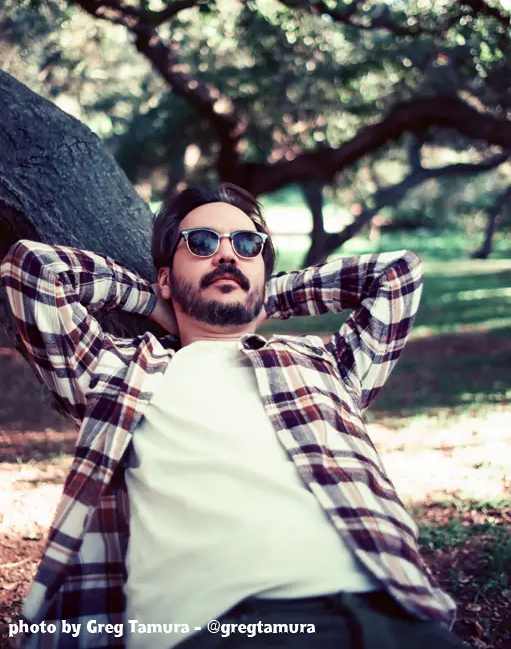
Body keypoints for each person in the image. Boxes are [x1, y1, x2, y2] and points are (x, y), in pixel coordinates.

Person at [0, 182, 466, 649]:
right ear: (165, 276)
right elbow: (36, 271)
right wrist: (154, 302)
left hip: (390, 617)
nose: (227, 257)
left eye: (247, 245)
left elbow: (396, 275)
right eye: (202, 243)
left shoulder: (324, 366)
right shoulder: (121, 372)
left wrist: (263, 296)